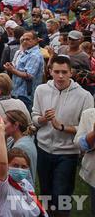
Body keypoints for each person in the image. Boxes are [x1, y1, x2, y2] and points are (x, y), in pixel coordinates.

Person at [32, 54, 93, 216]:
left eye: (64, 72)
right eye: (57, 71)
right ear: (50, 71)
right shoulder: (41, 90)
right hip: (43, 149)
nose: (60, 76)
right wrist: (43, 119)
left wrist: (62, 127)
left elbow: (86, 129)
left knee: (61, 195)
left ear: (71, 73)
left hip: (67, 153)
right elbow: (34, 117)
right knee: (45, 192)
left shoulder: (84, 96)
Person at [0, 117, 41, 216]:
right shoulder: (2, 187)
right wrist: (1, 132)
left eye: (24, 167)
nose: (19, 169)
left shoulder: (26, 185)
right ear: (7, 166)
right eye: (15, 165)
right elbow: (2, 163)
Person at [3, 31, 44, 112]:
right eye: (23, 39)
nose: (25, 41)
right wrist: (11, 66)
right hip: (18, 91)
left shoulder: (34, 55)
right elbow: (20, 69)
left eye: (28, 39)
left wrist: (12, 70)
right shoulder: (26, 52)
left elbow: (29, 75)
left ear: (36, 40)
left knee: (23, 118)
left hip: (26, 94)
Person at [3, 110, 37, 183]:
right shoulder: (24, 139)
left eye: (5, 123)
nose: (2, 126)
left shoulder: (21, 147)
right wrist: (4, 137)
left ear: (15, 125)